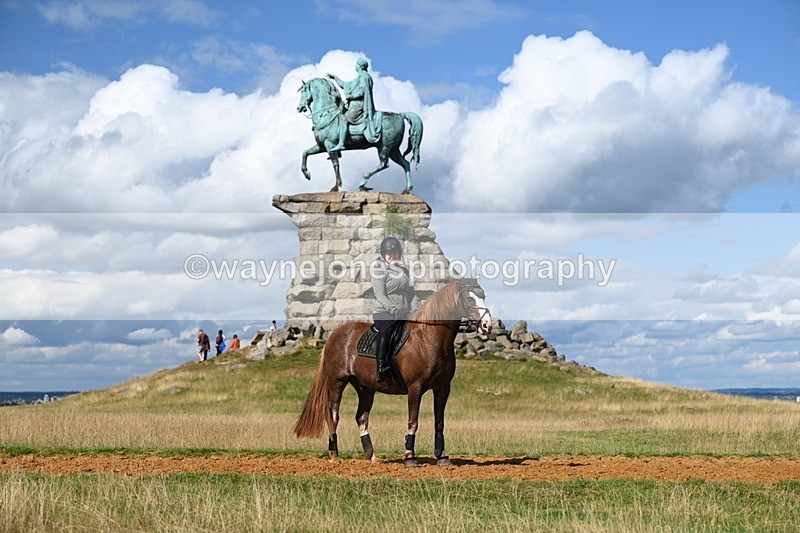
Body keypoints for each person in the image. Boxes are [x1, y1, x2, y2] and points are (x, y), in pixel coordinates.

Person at [371, 236, 418, 382]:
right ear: (383, 255)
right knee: (388, 331)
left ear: (399, 253)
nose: (392, 255)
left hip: (404, 312)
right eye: (389, 253)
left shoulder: (404, 271)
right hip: (384, 312)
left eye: (395, 252)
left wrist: (417, 309)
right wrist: (392, 308)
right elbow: (380, 295)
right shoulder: (379, 270)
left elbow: (411, 293)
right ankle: (382, 366)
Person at [326, 58, 382, 152]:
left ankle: (341, 144)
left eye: (356, 64)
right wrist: (335, 78)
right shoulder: (358, 79)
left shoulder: (365, 77)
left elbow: (362, 92)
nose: (355, 66)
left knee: (343, 119)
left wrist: (350, 96)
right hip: (353, 105)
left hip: (359, 106)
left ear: (360, 66)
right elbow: (345, 85)